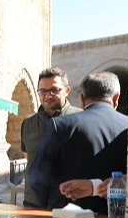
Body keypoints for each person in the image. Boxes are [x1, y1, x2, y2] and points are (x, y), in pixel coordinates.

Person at [27, 72, 128, 214]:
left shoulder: (60, 125)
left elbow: (36, 176)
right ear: (116, 97)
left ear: (82, 98)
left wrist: (54, 203)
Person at [20, 68, 82, 207]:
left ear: (67, 90)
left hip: (70, 203)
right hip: (33, 202)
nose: (48, 95)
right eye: (42, 91)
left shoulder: (81, 119)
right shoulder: (28, 124)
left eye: (55, 90)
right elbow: (28, 157)